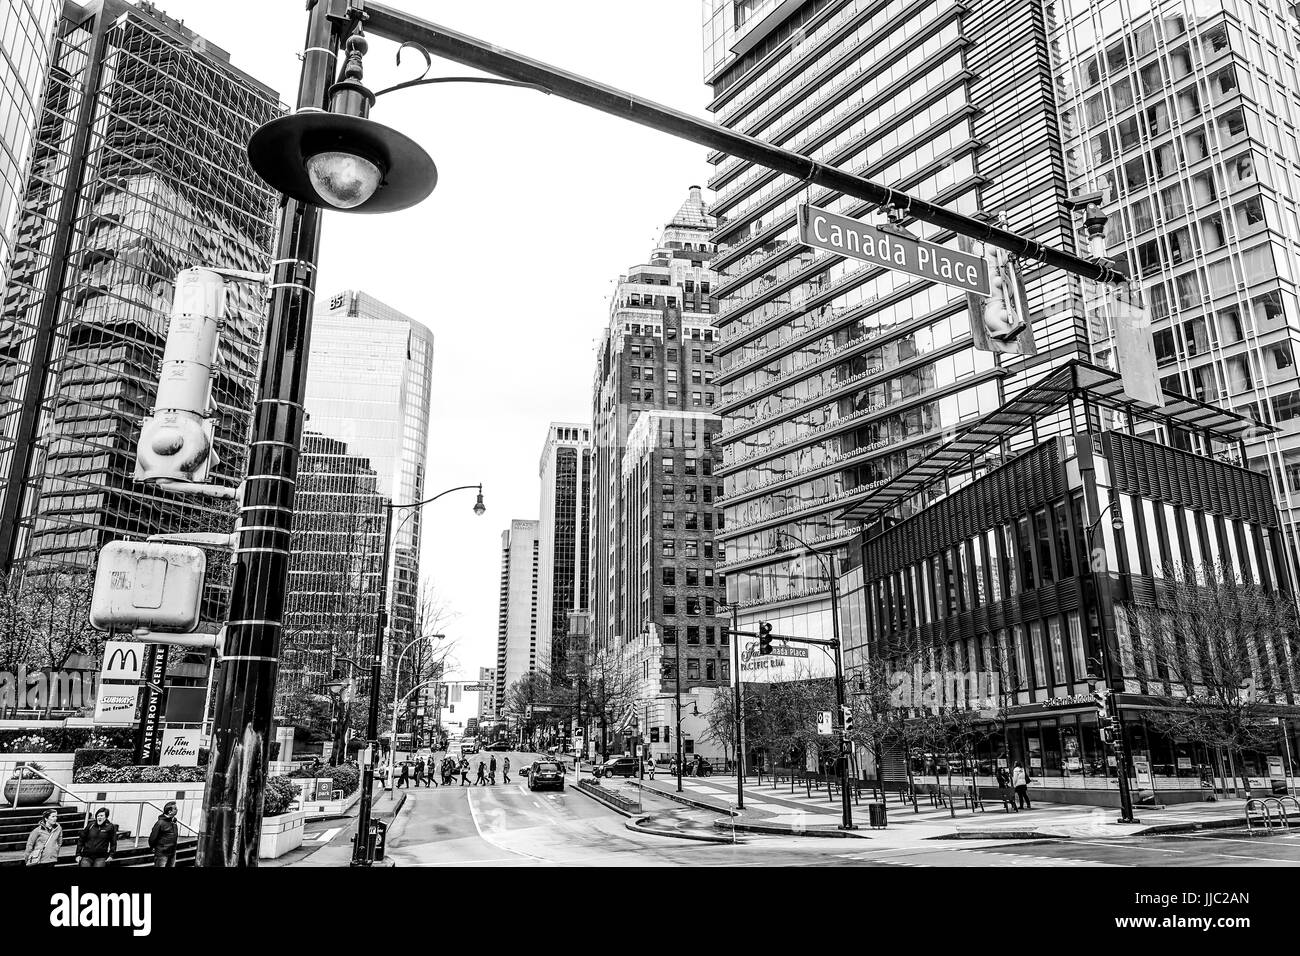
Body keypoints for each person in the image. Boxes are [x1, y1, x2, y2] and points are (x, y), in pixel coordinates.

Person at [148, 802, 179, 867]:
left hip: (172, 853)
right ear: (170, 812)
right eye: (175, 808)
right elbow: (153, 838)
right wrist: (153, 847)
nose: (177, 810)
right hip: (162, 853)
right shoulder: (160, 823)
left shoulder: (174, 822)